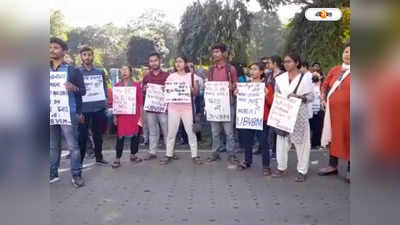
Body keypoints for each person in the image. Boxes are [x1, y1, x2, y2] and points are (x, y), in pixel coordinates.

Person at [49, 37, 85, 187]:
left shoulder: (72, 70)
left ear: (64, 51)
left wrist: (73, 88)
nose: (52, 50)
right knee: (52, 146)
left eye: (56, 48)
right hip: (50, 111)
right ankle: (52, 173)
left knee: (73, 146)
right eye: (50, 47)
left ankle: (76, 175)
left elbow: (82, 91)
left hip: (68, 112)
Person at [272, 52, 313, 182]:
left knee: (302, 143)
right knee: (282, 141)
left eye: (289, 61)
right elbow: (276, 96)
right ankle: (281, 167)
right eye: (285, 61)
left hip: (299, 114)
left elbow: (311, 97)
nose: (286, 64)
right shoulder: (280, 78)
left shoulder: (305, 77)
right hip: (284, 114)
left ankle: (302, 171)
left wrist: (299, 97)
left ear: (297, 62)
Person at [159, 55, 203, 165]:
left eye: (180, 61)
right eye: (176, 62)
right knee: (171, 132)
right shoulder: (171, 76)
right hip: (173, 108)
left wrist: (193, 90)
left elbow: (196, 93)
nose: (178, 64)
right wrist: (164, 89)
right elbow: (167, 90)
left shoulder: (192, 76)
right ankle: (168, 154)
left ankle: (195, 155)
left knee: (190, 132)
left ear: (185, 63)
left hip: (187, 108)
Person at [234, 62, 274, 176]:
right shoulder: (246, 85)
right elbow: (241, 98)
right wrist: (237, 93)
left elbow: (271, 103)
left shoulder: (267, 85)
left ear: (261, 72)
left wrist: (267, 94)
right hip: (248, 117)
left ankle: (266, 165)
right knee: (247, 141)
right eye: (251, 69)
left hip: (262, 118)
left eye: (255, 69)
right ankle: (247, 161)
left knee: (263, 142)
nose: (252, 71)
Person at [319, 42, 351, 182]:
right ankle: (333, 165)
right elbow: (325, 86)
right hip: (333, 113)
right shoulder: (335, 69)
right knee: (334, 136)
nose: (348, 54)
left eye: (351, 52)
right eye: (346, 51)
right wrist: (323, 99)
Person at [206, 43, 239, 164]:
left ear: (224, 53)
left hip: (228, 105)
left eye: (217, 52)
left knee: (229, 132)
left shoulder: (231, 69)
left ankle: (232, 154)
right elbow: (209, 86)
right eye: (214, 52)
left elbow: (236, 86)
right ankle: (215, 153)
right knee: (215, 132)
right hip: (214, 106)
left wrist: (232, 86)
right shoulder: (210, 69)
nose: (215, 54)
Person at [77, 46, 108, 165]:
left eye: (89, 54)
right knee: (82, 137)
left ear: (93, 56)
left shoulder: (100, 72)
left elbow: (104, 86)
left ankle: (99, 157)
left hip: (98, 108)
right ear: (81, 57)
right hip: (83, 109)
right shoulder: (77, 72)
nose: (87, 57)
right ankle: (79, 161)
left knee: (98, 135)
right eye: (84, 55)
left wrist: (104, 96)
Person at [109, 66, 143, 168]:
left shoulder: (136, 86)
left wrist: (141, 117)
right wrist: (115, 117)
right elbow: (115, 103)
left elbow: (140, 103)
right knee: (120, 137)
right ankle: (117, 158)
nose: (124, 72)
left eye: (126, 70)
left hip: (134, 115)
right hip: (122, 116)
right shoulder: (116, 86)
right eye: (122, 70)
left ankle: (133, 155)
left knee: (135, 137)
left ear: (131, 72)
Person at [141, 53, 169, 160]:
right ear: (149, 63)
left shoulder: (167, 75)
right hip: (150, 108)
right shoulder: (146, 76)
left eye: (155, 60)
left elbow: (171, 90)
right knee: (152, 131)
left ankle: (169, 152)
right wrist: (144, 88)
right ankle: (152, 152)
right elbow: (143, 89)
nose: (153, 63)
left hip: (163, 108)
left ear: (160, 61)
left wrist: (166, 88)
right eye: (151, 61)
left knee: (166, 130)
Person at [267, 55, 285, 160]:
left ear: (275, 63)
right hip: (269, 106)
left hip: (280, 106)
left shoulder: (284, 75)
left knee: (278, 130)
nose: (267, 65)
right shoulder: (268, 75)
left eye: (269, 62)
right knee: (271, 130)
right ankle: (273, 150)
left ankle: (278, 151)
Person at [309, 71, 324, 148]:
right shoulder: (309, 86)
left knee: (318, 127)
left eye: (316, 76)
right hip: (310, 109)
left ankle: (317, 143)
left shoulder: (322, 86)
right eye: (313, 76)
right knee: (311, 127)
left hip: (320, 109)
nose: (315, 78)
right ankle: (310, 143)